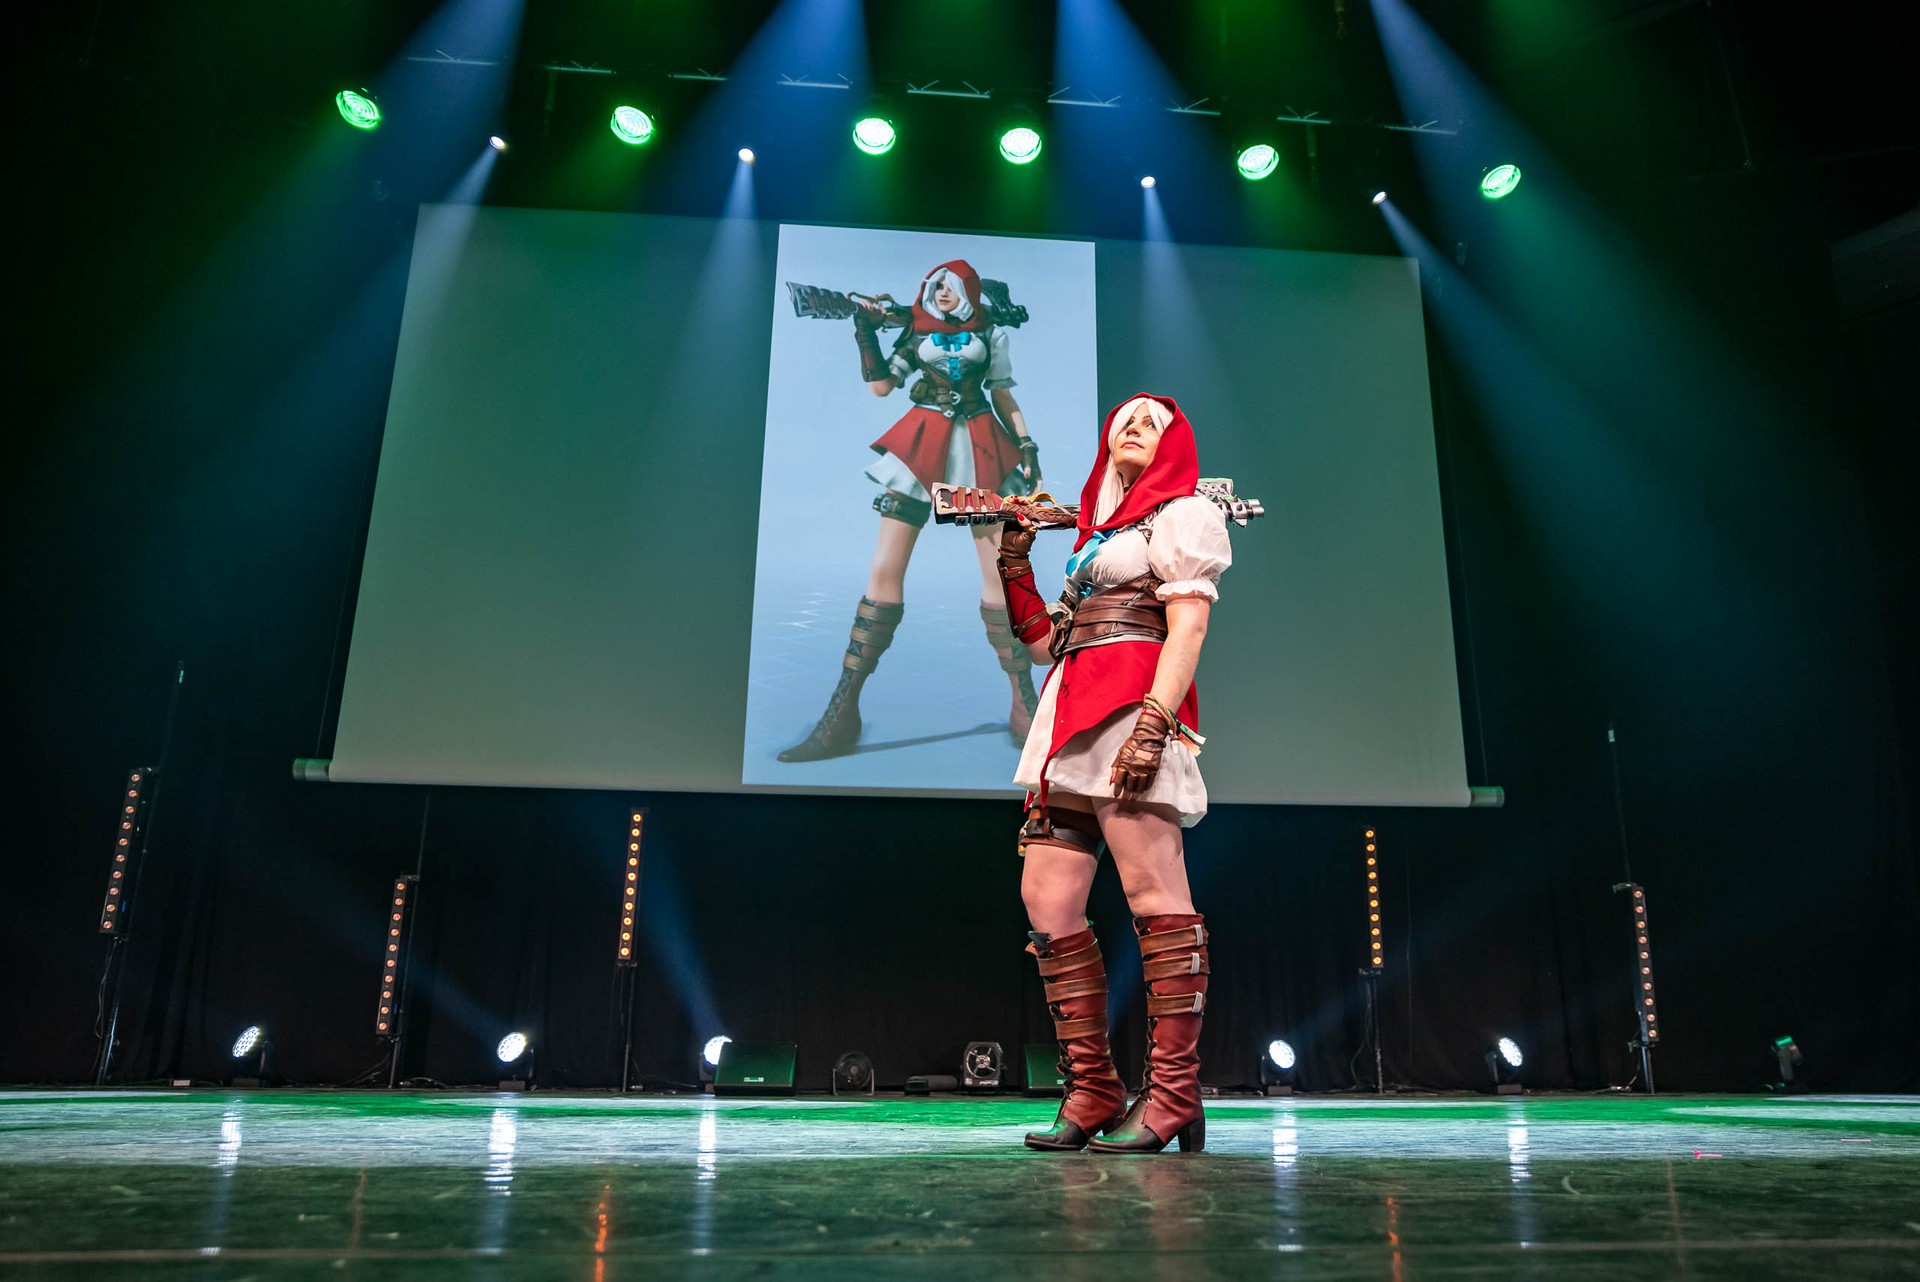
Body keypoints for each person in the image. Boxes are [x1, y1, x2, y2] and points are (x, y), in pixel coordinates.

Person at [995, 393, 1231, 1154]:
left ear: (1174, 446)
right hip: (1069, 715)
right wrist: (1015, 563)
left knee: (1155, 896)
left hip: (1132, 709)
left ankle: (1173, 1095)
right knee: (1047, 900)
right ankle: (1094, 1088)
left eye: (1152, 423)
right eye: (1124, 418)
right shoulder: (1098, 538)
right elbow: (1045, 644)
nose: (1133, 426)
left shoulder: (1184, 515)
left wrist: (1154, 727)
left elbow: (1188, 625)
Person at [779, 260, 1044, 763]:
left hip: (979, 446)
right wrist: (864, 333)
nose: (941, 293)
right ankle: (843, 711)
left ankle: (1022, 704)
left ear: (967, 291)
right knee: (884, 569)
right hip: (921, 443)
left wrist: (1027, 445)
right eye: (935, 285)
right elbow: (882, 386)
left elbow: (1002, 392)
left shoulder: (990, 332)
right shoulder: (915, 330)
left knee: (998, 574)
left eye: (950, 286)